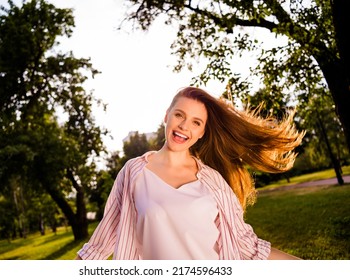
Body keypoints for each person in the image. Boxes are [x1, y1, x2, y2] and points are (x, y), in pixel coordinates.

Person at [76, 86, 304, 260]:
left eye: (196, 122)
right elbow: (99, 244)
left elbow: (247, 244)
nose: (185, 126)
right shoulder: (133, 172)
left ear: (202, 132)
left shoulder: (213, 181)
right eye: (179, 115)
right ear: (167, 116)